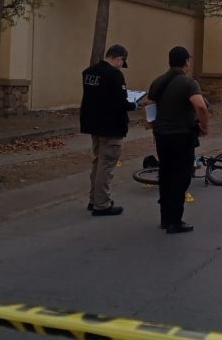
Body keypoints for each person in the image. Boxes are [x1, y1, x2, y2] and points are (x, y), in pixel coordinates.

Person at [147, 45, 209, 234]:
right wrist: (204, 126)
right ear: (186, 62)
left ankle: (165, 218)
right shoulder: (188, 83)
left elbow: (150, 106)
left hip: (162, 136)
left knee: (166, 175)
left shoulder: (158, 81)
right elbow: (201, 106)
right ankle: (175, 221)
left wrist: (154, 126)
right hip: (181, 136)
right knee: (181, 177)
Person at [80, 44, 138, 216]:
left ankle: (94, 199)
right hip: (111, 126)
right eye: (122, 62)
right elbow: (121, 102)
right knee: (106, 166)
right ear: (119, 58)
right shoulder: (115, 75)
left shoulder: (89, 72)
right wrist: (133, 105)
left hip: (93, 124)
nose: (121, 66)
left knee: (98, 162)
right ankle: (102, 204)